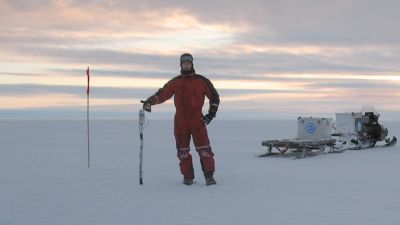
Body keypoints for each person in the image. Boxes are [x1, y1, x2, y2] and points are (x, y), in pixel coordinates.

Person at [142, 53, 220, 185]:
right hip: (180, 122)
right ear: (181, 64)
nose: (186, 65)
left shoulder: (202, 81)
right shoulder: (176, 82)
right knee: (182, 151)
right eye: (184, 63)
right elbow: (162, 94)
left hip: (197, 121)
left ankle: (209, 176)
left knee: (204, 149)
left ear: (192, 64)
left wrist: (211, 113)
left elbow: (214, 97)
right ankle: (188, 177)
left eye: (188, 62)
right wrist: (150, 102)